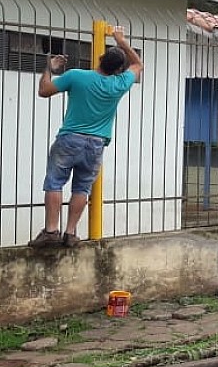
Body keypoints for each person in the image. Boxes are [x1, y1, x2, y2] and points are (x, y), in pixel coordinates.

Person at [30, 26, 143, 248]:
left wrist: (49, 67)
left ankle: (51, 231)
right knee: (82, 188)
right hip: (96, 144)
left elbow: (43, 91)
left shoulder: (76, 76)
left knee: (54, 182)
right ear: (119, 70)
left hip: (70, 139)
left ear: (100, 59)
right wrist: (120, 40)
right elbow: (138, 64)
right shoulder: (119, 84)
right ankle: (70, 234)